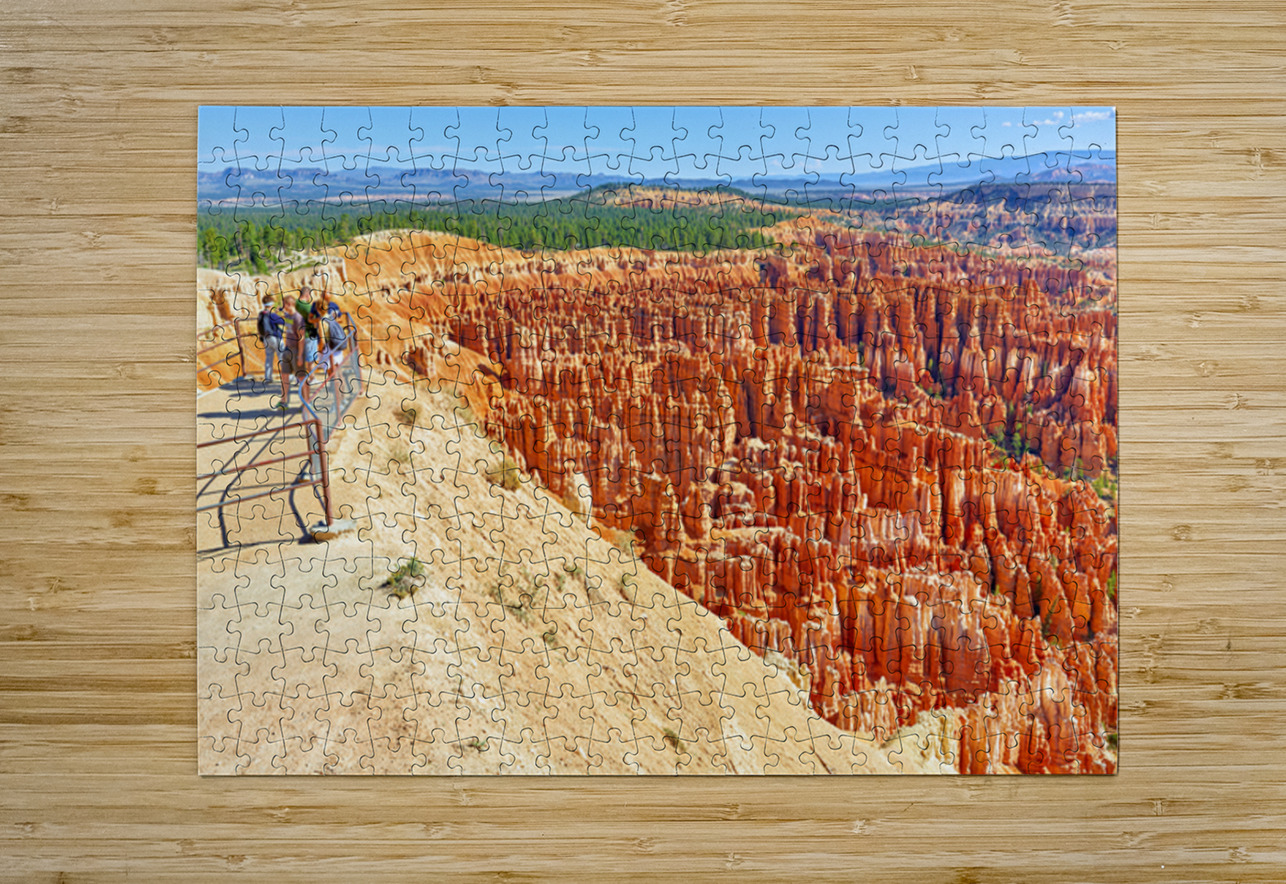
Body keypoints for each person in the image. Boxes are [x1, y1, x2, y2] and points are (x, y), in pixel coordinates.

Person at [256, 294, 286, 385]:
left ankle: (268, 378)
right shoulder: (272, 315)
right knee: (282, 357)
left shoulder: (261, 314)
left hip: (265, 338)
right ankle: (288, 377)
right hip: (275, 338)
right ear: (271, 304)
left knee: (269, 359)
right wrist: (283, 312)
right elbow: (284, 322)